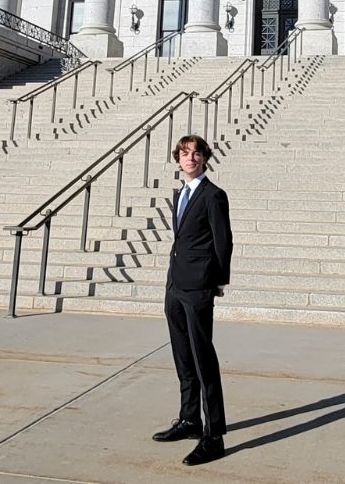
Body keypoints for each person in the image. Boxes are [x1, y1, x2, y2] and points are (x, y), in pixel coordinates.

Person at [152, 134, 233, 466]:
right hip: (175, 285)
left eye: (196, 154)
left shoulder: (214, 195)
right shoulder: (180, 193)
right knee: (183, 357)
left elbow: (223, 241)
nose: (191, 158)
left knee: (203, 361)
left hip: (199, 286)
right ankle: (189, 421)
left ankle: (213, 436)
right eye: (185, 153)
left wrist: (218, 280)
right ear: (178, 159)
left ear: (205, 159)